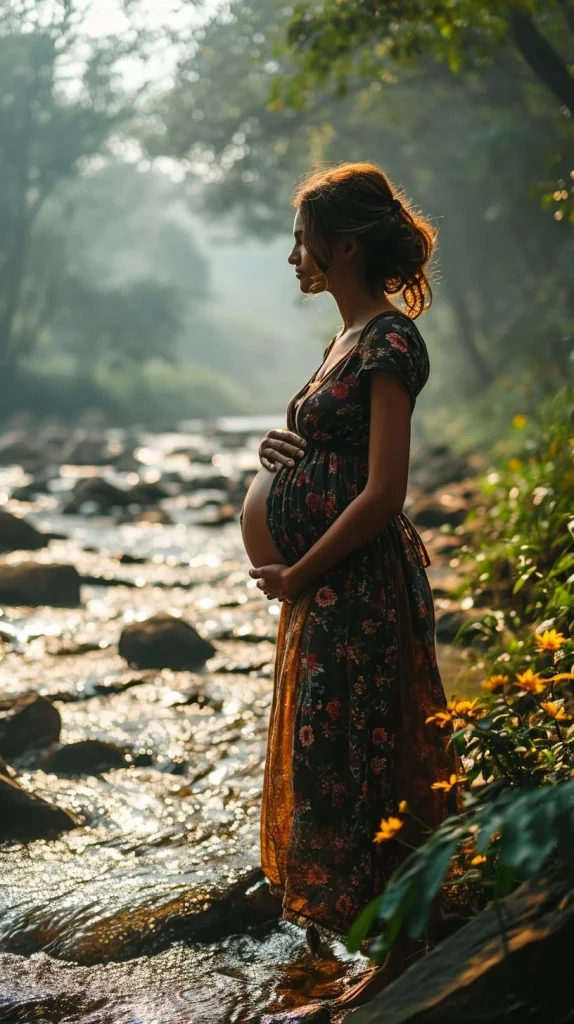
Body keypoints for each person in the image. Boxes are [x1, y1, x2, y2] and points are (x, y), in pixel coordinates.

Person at [240, 162, 456, 1014]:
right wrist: (275, 456)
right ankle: (372, 946)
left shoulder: (391, 342)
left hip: (355, 589)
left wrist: (296, 568)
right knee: (331, 758)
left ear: (346, 245)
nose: (295, 254)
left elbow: (383, 492)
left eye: (304, 239)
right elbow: (327, 453)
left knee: (366, 760)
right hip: (325, 591)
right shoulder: (342, 342)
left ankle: (403, 955)